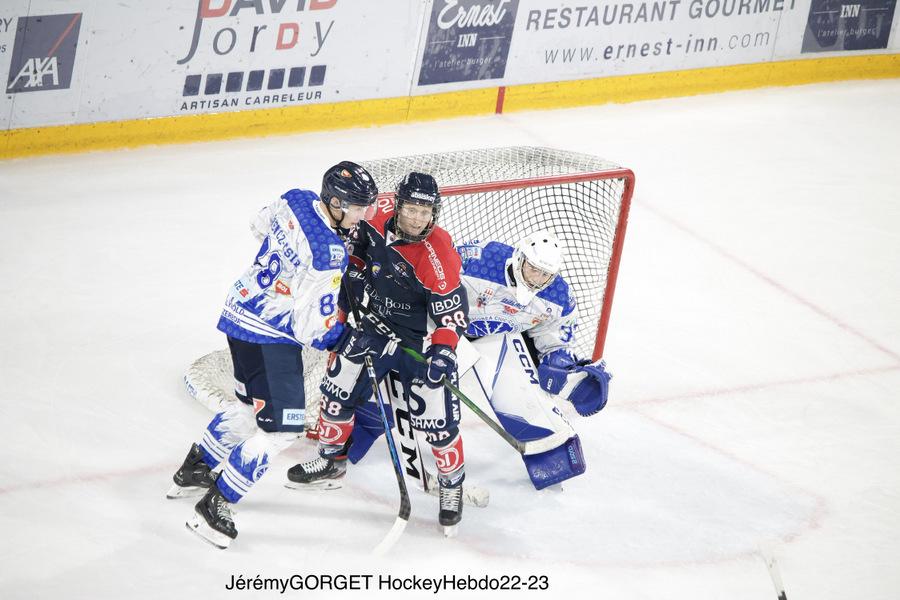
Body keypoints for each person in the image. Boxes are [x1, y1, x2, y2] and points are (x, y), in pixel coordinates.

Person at [166, 161, 378, 549]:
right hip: (271, 336)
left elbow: (257, 224)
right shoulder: (329, 253)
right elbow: (310, 327)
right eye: (358, 207)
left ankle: (195, 468)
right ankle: (216, 504)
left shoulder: (297, 199)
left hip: (239, 313)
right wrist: (343, 337)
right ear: (334, 202)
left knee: (249, 409)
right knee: (282, 430)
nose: (365, 215)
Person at [285, 172, 470, 535]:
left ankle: (451, 484)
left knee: (436, 414)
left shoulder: (439, 252)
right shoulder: (371, 217)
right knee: (337, 389)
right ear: (398, 204)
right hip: (370, 326)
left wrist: (444, 353)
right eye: (412, 208)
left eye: (426, 211)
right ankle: (331, 460)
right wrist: (349, 277)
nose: (418, 218)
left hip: (414, 341)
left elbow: (451, 313)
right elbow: (347, 247)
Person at [455, 231, 611, 490]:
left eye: (545, 274)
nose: (538, 279)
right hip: (442, 328)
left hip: (494, 340)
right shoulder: (482, 257)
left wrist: (560, 366)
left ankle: (550, 455)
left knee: (524, 391)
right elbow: (434, 275)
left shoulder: (559, 297)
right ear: (520, 258)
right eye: (533, 269)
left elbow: (554, 341)